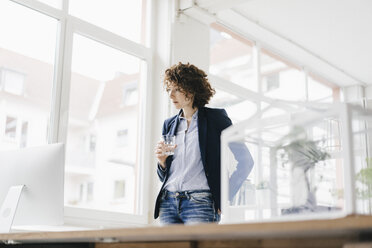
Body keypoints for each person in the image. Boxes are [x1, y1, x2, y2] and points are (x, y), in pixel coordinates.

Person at [154, 62, 254, 225]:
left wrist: (224, 195)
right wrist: (162, 162)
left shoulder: (216, 119)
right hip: (168, 203)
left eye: (177, 89)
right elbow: (164, 176)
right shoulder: (169, 125)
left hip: (200, 203)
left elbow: (246, 161)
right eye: (169, 90)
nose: (171, 95)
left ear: (192, 90)